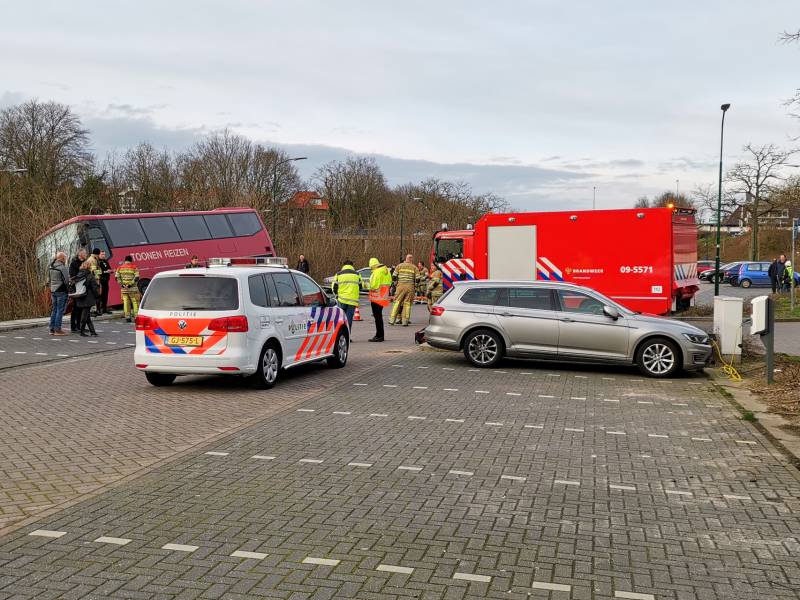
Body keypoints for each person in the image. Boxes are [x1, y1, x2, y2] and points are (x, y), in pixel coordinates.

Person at [389, 254, 418, 326]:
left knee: (397, 302)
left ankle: (392, 320)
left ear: (406, 258)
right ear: (412, 259)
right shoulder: (414, 267)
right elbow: (418, 279)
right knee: (407, 304)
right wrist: (415, 287)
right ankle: (405, 321)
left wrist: (396, 284)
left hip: (400, 286)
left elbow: (394, 276)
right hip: (410, 287)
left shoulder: (399, 266)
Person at [367, 257, 392, 342]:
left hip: (376, 297)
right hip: (383, 297)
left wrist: (367, 286)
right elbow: (390, 282)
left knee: (377, 317)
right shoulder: (386, 271)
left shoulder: (376, 272)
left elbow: (373, 285)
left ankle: (379, 336)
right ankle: (380, 335)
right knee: (379, 316)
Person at [332, 259, 361, 329]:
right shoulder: (357, 274)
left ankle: (341, 336)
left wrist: (336, 295)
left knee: (341, 319)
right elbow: (361, 286)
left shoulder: (339, 274)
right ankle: (348, 337)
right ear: (352, 265)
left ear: (344, 265)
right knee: (349, 319)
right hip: (352, 300)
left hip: (341, 299)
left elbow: (333, 287)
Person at [74, 260, 100, 336]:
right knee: (85, 315)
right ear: (89, 267)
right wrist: (97, 296)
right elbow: (94, 288)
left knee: (87, 315)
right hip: (88, 297)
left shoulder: (79, 274)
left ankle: (93, 332)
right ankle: (81, 331)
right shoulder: (90, 275)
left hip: (80, 296)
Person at [48, 251, 70, 336]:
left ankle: (52, 329)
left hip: (53, 290)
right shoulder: (62, 267)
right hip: (61, 290)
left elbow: (48, 279)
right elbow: (66, 280)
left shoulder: (50, 266)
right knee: (60, 310)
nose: (65, 260)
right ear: (62, 258)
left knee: (54, 309)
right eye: (64, 258)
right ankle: (58, 329)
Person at [115, 255, 141, 322]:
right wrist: (129, 285)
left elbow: (117, 277)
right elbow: (137, 278)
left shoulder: (120, 268)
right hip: (133, 289)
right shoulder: (134, 267)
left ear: (125, 260)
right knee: (135, 302)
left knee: (126, 303)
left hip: (124, 290)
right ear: (131, 260)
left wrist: (123, 285)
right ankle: (136, 317)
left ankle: (128, 317)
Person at [69, 249, 88, 332]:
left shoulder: (85, 262)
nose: (86, 254)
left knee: (82, 307)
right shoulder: (74, 263)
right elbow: (73, 276)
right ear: (80, 254)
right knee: (76, 308)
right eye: (85, 253)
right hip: (76, 288)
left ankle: (80, 326)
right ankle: (73, 327)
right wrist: (82, 274)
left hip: (84, 287)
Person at [95, 249, 112, 314]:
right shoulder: (97, 262)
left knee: (106, 294)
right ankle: (100, 309)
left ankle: (105, 308)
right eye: (102, 254)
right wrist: (105, 272)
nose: (103, 255)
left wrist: (110, 271)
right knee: (100, 295)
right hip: (101, 280)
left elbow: (109, 268)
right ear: (99, 255)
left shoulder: (105, 261)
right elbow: (96, 271)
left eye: (104, 254)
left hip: (106, 280)